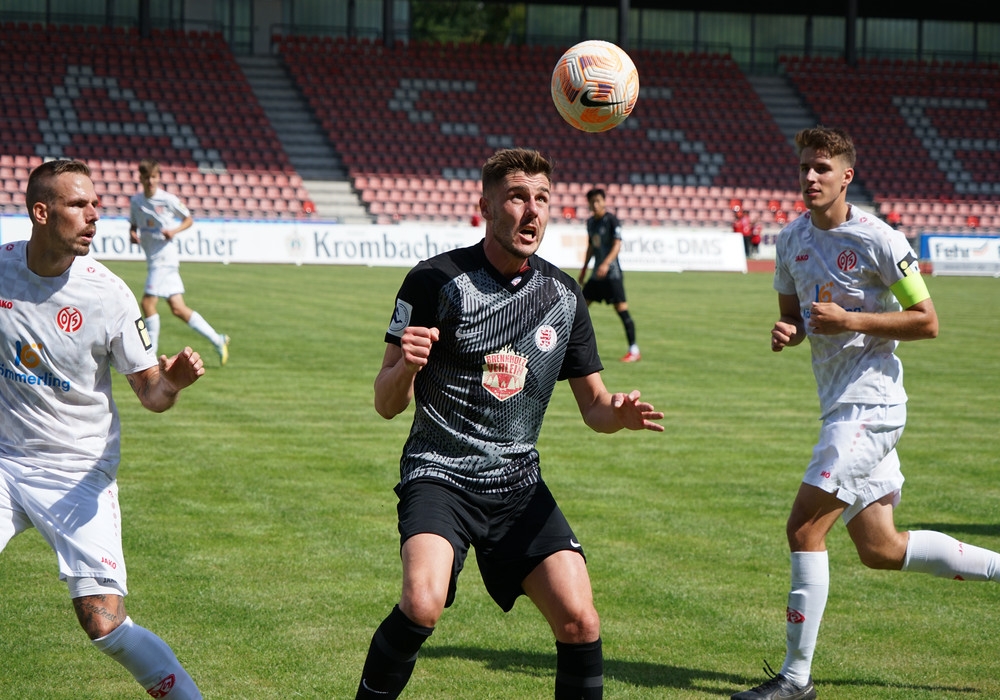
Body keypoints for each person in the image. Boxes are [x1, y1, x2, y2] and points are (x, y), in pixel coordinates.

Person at [357, 148, 664, 700]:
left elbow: (594, 407)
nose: (532, 212)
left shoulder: (563, 296)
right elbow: (385, 402)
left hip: (517, 483)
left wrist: (615, 414)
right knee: (422, 604)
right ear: (486, 207)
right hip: (440, 473)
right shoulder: (434, 281)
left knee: (580, 620)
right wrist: (406, 364)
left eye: (542, 199)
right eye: (517, 198)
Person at [733, 126, 1000, 700]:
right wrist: (788, 331)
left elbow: (927, 321)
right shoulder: (790, 240)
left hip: (871, 406)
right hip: (838, 407)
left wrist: (852, 320)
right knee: (880, 548)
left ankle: (795, 680)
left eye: (822, 168)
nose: (810, 177)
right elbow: (798, 319)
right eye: (805, 166)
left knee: (803, 528)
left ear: (846, 176)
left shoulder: (881, 239)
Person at [0, 159, 205, 698]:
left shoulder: (108, 294)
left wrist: (176, 381)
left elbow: (152, 395)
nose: (95, 215)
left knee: (104, 626)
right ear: (41, 213)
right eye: (78, 205)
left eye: (96, 204)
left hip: (77, 472)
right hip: (4, 460)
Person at [129, 157, 229, 365]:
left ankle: (150, 355)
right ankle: (217, 339)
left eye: (154, 177)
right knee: (178, 308)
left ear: (158, 178)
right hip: (154, 259)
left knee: (147, 303)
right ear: (141, 178)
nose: (151, 182)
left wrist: (173, 231)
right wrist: (132, 233)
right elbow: (133, 225)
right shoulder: (136, 202)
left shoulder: (167, 200)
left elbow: (189, 219)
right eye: (147, 178)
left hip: (164, 259)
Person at [577, 188, 640, 362]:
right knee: (579, 307)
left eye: (598, 201)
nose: (595, 204)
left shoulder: (612, 221)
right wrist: (584, 269)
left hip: (612, 275)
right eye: (592, 202)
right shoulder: (590, 223)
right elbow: (591, 246)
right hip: (597, 275)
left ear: (604, 201)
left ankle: (634, 350)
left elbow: (617, 245)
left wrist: (606, 263)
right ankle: (567, 346)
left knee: (621, 309)